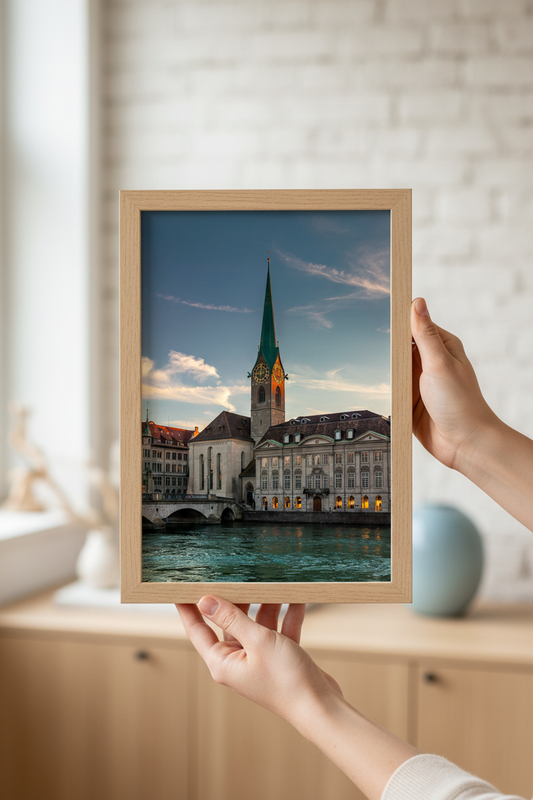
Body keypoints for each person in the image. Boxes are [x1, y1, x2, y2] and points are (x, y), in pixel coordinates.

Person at [177, 298, 533, 800]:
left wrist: (311, 705)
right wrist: (471, 438)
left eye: (273, 384)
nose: (268, 390)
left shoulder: (324, 434)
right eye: (264, 384)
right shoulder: (253, 440)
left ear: (278, 384)